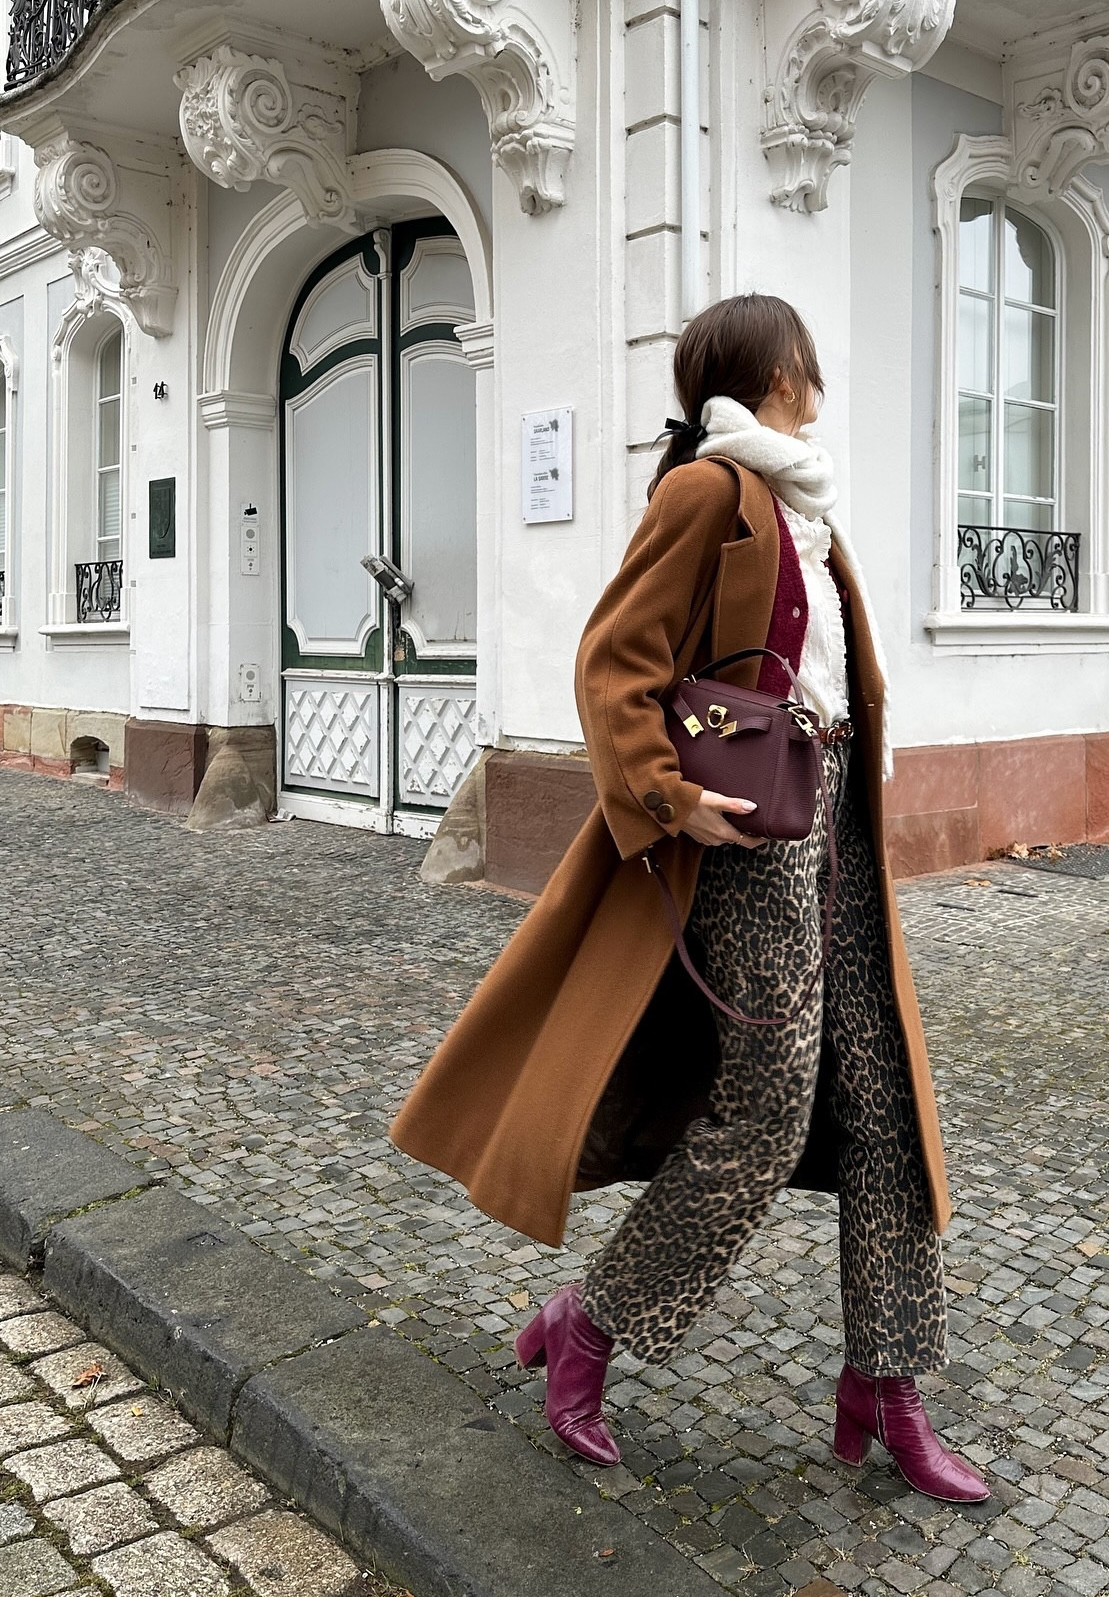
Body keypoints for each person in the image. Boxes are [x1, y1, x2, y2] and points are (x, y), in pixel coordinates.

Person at [390, 293, 988, 1504]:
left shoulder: (798, 499)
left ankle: (889, 1385)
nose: (814, 374)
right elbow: (615, 659)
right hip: (746, 844)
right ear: (774, 371)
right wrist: (667, 795)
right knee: (765, 1113)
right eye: (802, 358)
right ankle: (588, 1325)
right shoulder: (709, 490)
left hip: (835, 839)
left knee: (881, 1111)